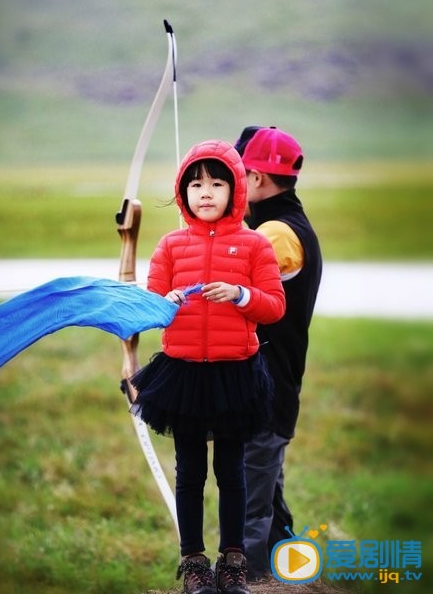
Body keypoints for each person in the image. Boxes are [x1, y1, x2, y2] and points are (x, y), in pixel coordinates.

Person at [130, 139, 286, 594]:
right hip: (184, 375)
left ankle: (233, 562)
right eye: (196, 183)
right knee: (190, 471)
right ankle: (195, 564)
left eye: (217, 183)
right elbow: (149, 306)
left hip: (234, 372)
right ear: (183, 191)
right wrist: (166, 303)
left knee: (231, 470)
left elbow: (274, 306)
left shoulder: (255, 244)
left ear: (235, 190)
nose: (206, 192)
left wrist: (240, 296)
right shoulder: (171, 245)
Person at [233, 126, 323, 582]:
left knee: (251, 505)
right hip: (266, 387)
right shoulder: (276, 225)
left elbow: (230, 281)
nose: (228, 186)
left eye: (235, 175)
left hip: (268, 389)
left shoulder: (277, 233)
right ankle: (291, 571)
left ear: (256, 179)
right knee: (265, 499)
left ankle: (246, 581)